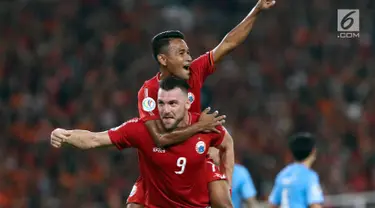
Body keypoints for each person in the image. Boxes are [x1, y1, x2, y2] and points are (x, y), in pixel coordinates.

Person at [132, 0, 276, 207]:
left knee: (223, 198)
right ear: (163, 60)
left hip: (196, 156)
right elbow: (160, 139)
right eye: (181, 53)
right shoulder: (149, 92)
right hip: (161, 165)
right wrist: (199, 127)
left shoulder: (194, 72)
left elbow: (228, 44)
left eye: (188, 52)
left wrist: (257, 9)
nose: (189, 58)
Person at [51, 77, 234, 207]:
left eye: (173, 104)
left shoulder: (207, 126)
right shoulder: (142, 129)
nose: (166, 110)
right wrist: (64, 135)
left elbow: (227, 145)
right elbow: (94, 139)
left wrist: (228, 184)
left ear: (187, 103)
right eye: (161, 103)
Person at [268, 133, 324, 208]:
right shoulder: (309, 176)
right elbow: (314, 205)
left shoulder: (282, 174)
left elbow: (272, 205)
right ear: (313, 151)